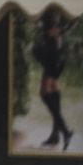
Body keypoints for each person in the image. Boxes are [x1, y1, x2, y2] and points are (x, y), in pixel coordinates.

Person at [32, 8, 73, 150]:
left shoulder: (52, 19)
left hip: (52, 58)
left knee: (45, 94)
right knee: (54, 94)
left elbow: (51, 30)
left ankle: (65, 132)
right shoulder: (58, 18)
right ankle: (55, 135)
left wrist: (55, 31)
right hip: (56, 58)